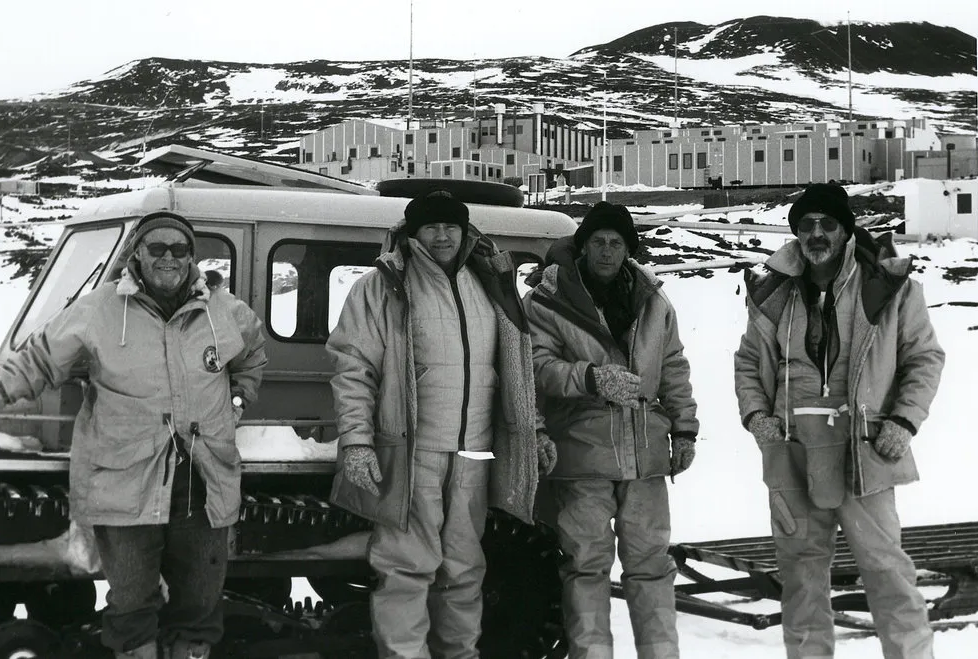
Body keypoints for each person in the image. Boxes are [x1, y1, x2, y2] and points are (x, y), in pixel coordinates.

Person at [0, 211, 268, 659]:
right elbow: (38, 360)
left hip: (205, 482)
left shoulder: (225, 312)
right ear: (138, 252)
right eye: (158, 248)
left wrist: (238, 399)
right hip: (126, 483)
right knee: (131, 606)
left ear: (192, 255)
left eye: (180, 249)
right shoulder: (101, 308)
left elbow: (252, 355)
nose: (169, 257)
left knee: (199, 607)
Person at [326, 190, 557, 659]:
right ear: (413, 232)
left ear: (465, 229)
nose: (442, 234)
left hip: (474, 453)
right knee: (407, 570)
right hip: (413, 455)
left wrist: (532, 429)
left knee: (464, 570)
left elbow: (515, 368)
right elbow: (353, 368)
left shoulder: (489, 283)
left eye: (451, 225)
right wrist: (356, 442)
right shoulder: (382, 286)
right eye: (431, 226)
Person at [734, 183, 945, 659]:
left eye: (827, 223)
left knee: (888, 574)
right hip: (792, 454)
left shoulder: (889, 287)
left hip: (864, 450)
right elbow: (748, 362)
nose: (816, 233)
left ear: (846, 230)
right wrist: (756, 417)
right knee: (802, 584)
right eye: (806, 224)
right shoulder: (773, 293)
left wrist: (904, 422)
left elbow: (924, 359)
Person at [522, 201, 700, 659]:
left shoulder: (654, 301)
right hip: (581, 454)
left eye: (616, 243)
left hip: (645, 456)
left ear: (628, 249)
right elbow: (533, 366)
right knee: (586, 567)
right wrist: (590, 377)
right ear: (583, 246)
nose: (606, 251)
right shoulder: (547, 300)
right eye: (598, 241)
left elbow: (674, 366)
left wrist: (684, 429)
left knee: (652, 567)